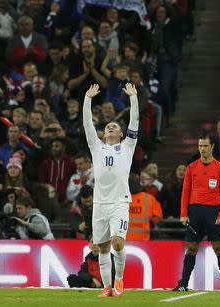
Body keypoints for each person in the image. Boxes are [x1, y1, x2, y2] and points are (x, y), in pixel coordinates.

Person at [83, 83, 139, 298]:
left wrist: (133, 99)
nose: (110, 128)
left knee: (117, 242)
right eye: (108, 127)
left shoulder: (127, 147)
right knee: (103, 247)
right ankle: (106, 287)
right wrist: (88, 99)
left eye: (115, 127)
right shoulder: (96, 147)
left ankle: (119, 279)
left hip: (119, 202)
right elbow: (88, 124)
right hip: (99, 203)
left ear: (122, 134)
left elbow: (134, 122)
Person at [173, 134, 220, 292]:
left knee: (219, 248)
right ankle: (183, 284)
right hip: (195, 212)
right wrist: (184, 213)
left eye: (205, 146)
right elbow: (185, 191)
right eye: (200, 146)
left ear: (212, 147)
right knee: (191, 248)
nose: (202, 149)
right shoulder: (192, 167)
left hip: (213, 212)